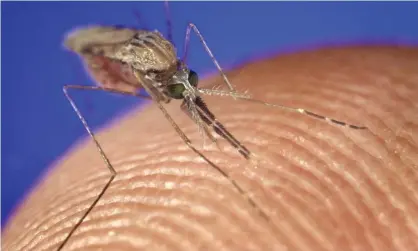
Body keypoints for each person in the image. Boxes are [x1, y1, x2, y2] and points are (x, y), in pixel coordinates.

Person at [3, 45, 418, 251]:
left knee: (193, 101)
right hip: (129, 67)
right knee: (186, 131)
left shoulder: (179, 74)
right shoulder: (147, 76)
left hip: (159, 66)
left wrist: (231, 91)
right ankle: (113, 178)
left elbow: (184, 78)